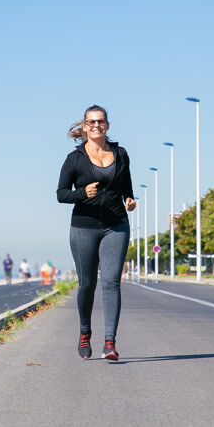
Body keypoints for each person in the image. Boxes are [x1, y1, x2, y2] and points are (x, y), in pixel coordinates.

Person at [56, 105, 135, 361]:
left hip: (116, 226)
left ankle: (110, 343)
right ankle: (84, 332)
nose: (96, 126)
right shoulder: (74, 158)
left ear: (107, 125)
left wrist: (130, 200)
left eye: (100, 121)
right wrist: (82, 193)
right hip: (84, 227)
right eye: (91, 122)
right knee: (87, 285)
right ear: (84, 126)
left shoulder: (121, 154)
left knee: (111, 283)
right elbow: (61, 194)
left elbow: (127, 188)